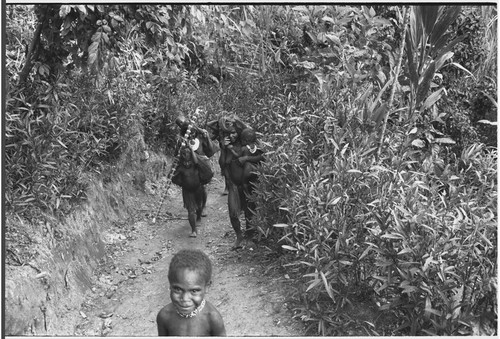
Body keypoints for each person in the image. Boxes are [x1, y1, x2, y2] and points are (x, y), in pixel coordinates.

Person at [157, 249, 226, 336]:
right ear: (170, 284)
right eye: (178, 289)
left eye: (194, 291)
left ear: (207, 287)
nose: (185, 299)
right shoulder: (164, 316)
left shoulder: (212, 318)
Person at [221, 119, 264, 249]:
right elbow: (222, 164)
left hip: (249, 184)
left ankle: (250, 237)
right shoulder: (227, 146)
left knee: (249, 211)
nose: (231, 136)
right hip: (233, 184)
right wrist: (224, 148)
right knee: (233, 212)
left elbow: (262, 155)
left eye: (233, 133)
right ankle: (239, 236)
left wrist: (246, 158)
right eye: (228, 134)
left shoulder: (246, 145)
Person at [175, 116, 217, 216]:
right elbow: (177, 156)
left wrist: (206, 136)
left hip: (201, 167)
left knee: (202, 188)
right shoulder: (181, 141)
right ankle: (193, 209)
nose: (192, 135)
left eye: (194, 132)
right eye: (190, 133)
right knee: (190, 188)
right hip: (189, 168)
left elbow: (210, 151)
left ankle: (202, 207)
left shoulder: (201, 136)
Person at [171, 145, 208, 238]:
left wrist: (191, 150)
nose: (185, 155)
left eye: (188, 153)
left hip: (198, 189)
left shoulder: (196, 163)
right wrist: (173, 169)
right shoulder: (179, 166)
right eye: (183, 153)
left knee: (199, 206)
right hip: (187, 191)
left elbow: (198, 163)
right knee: (191, 210)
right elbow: (172, 176)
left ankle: (199, 217)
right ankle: (193, 229)